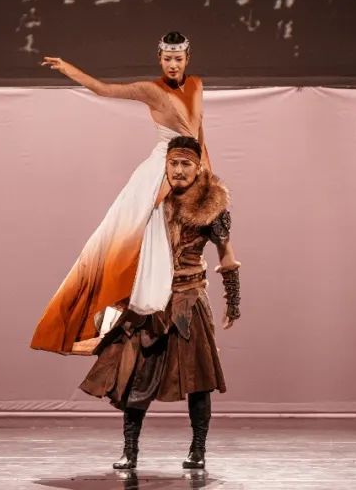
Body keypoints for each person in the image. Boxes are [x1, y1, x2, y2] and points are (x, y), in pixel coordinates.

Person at [30, 32, 212, 356]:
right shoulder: (151, 90)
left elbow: (200, 136)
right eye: (167, 59)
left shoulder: (196, 85)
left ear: (187, 59)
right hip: (161, 169)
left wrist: (208, 177)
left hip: (189, 166)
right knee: (134, 246)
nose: (172, 64)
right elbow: (104, 89)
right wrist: (69, 69)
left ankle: (166, 314)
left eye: (178, 59)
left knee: (185, 244)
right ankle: (113, 322)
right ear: (159, 59)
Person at [80, 135, 240, 471]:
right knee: (136, 376)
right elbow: (126, 251)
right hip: (151, 300)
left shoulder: (211, 207)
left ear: (198, 167)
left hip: (189, 299)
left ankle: (198, 450)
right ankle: (130, 451)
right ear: (165, 165)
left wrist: (233, 302)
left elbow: (227, 258)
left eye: (186, 164)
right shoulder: (151, 203)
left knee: (199, 380)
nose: (179, 170)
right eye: (174, 163)